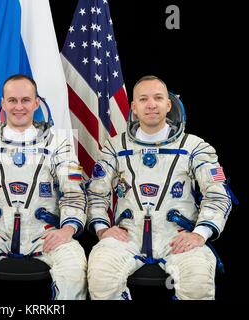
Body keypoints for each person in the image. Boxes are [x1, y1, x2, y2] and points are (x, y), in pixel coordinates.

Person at [87, 75, 232, 300]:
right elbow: (96, 193)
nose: (151, 104)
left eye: (158, 98)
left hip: (177, 237)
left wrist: (199, 234)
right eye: (143, 99)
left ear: (168, 104)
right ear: (133, 108)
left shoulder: (194, 147)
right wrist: (103, 229)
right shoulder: (115, 147)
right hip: (128, 236)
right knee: (100, 274)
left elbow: (217, 195)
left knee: (198, 280)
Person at [0, 74, 87, 300]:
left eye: (25, 100)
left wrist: (67, 230)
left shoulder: (60, 144)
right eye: (12, 100)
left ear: (36, 103)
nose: (19, 106)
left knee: (73, 273)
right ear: (2, 103)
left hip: (46, 233)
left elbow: (73, 193)